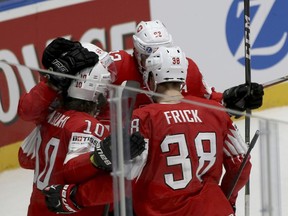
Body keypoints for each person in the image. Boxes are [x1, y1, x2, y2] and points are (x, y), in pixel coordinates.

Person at [18, 39, 145, 216]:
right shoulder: (87, 125)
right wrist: (105, 157)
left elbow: (24, 156)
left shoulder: (50, 114)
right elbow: (109, 184)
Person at [127, 46, 251, 215]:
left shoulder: (142, 117)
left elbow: (128, 172)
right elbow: (241, 164)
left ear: (151, 79)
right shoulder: (216, 111)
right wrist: (226, 200)